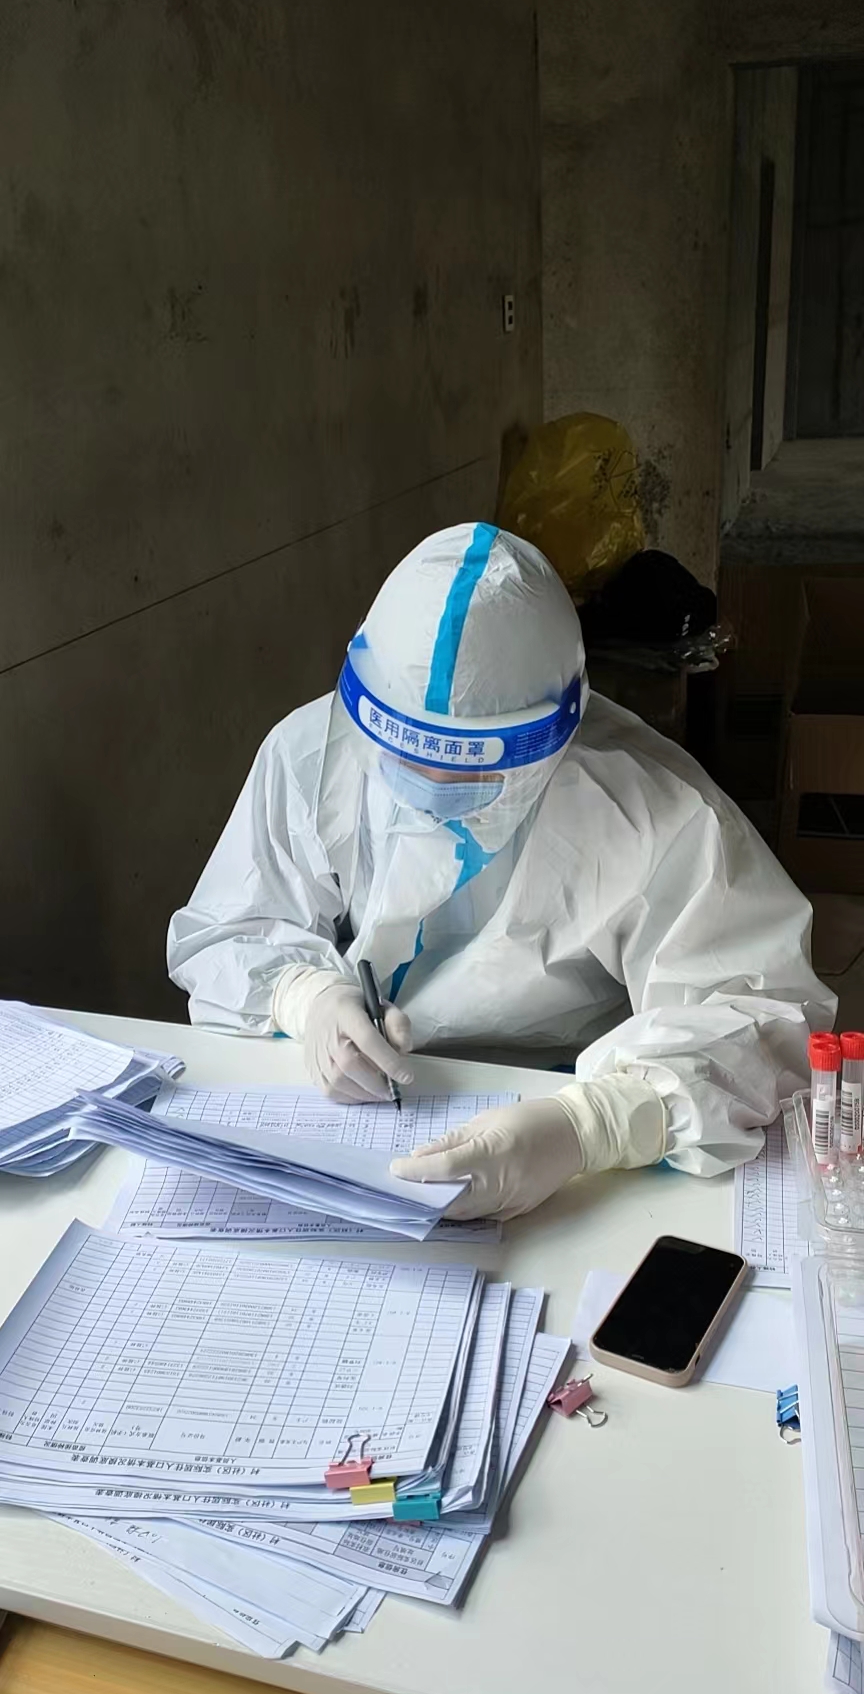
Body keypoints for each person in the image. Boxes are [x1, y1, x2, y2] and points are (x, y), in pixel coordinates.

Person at [167, 522, 835, 1221]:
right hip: (356, 1103)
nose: (430, 787)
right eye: (407, 757)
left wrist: (596, 1124)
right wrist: (308, 999)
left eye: (466, 768)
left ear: (556, 731)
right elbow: (229, 927)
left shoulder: (654, 810)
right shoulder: (313, 754)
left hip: (561, 1103)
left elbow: (767, 1017)